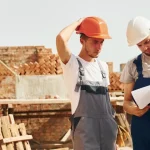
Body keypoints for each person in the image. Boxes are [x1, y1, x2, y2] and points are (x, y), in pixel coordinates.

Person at [56, 16, 118, 150]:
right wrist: (78, 23)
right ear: (82, 41)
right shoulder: (72, 65)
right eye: (94, 42)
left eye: (101, 42)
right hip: (86, 135)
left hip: (108, 134)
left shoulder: (103, 67)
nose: (99, 47)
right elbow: (61, 38)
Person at [120, 16, 150, 150]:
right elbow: (126, 102)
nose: (144, 48)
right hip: (143, 128)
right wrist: (133, 109)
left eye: (147, 42)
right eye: (139, 45)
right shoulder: (133, 65)